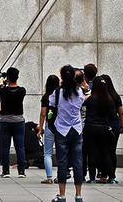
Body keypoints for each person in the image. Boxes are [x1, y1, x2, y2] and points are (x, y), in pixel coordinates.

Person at [50, 65, 87, 202]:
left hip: (62, 130)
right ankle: (78, 195)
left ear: (62, 77)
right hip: (76, 129)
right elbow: (82, 102)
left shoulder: (58, 92)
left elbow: (51, 103)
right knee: (78, 162)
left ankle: (62, 195)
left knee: (62, 163)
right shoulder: (80, 91)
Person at [82, 78, 116, 184]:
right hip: (103, 128)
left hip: (91, 127)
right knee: (105, 153)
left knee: (91, 153)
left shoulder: (91, 99)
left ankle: (92, 178)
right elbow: (113, 115)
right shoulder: (109, 99)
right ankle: (112, 177)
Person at [0, 66, 27, 178]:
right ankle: (21, 171)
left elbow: (2, 91)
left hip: (5, 120)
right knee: (20, 146)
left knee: (5, 146)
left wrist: (4, 83)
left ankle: (5, 171)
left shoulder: (3, 91)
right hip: (19, 120)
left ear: (7, 77)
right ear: (17, 77)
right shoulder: (22, 90)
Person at [98, 74, 123, 180]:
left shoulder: (99, 97)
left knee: (103, 151)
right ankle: (112, 174)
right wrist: (122, 126)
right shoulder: (116, 96)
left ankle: (103, 174)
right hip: (115, 126)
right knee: (112, 151)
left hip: (103, 126)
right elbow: (121, 113)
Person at [36, 74, 60, 184]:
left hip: (49, 125)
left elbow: (43, 114)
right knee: (61, 152)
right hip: (61, 126)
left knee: (47, 153)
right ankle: (61, 176)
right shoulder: (61, 95)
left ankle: (49, 177)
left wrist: (40, 128)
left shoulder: (46, 97)